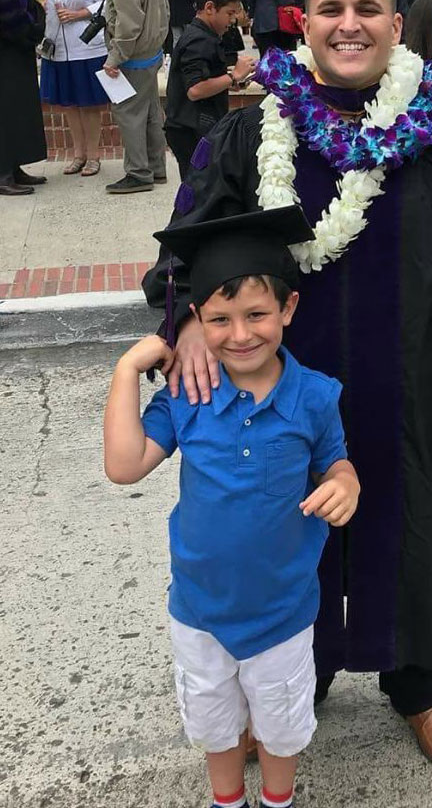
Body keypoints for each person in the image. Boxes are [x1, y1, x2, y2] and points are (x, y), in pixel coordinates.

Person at [143, 0, 432, 777]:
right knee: (289, 525)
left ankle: (421, 687)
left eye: (367, 9)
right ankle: (300, 673)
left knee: (420, 533)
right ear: (304, 21)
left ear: (391, 20)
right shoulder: (255, 127)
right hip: (281, 397)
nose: (350, 24)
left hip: (419, 382)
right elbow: (189, 235)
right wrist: (187, 316)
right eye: (331, 9)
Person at [105, 205, 360, 808]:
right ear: (197, 319)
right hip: (198, 610)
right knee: (215, 727)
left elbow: (337, 462)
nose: (240, 334)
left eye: (256, 315)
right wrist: (125, 370)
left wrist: (346, 483)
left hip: (283, 613)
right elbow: (124, 465)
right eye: (219, 319)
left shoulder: (316, 397)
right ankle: (228, 802)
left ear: (288, 310)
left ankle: (277, 800)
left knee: (281, 725)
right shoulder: (187, 395)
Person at [99, 0, 169, 194]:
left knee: (128, 113)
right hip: (151, 51)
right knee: (151, 112)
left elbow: (128, 26)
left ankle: (139, 173)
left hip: (134, 55)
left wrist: (114, 57)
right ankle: (156, 168)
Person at [164, 0, 256, 181]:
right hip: (190, 129)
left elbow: (205, 79)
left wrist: (232, 81)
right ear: (209, 8)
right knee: (198, 187)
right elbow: (195, 90)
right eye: (229, 13)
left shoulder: (203, 36)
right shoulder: (199, 40)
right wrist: (233, 76)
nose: (232, 21)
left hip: (191, 126)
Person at [40, 0, 108, 178]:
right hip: (55, 46)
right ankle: (77, 154)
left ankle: (93, 156)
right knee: (68, 104)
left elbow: (104, 1)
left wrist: (80, 13)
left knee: (89, 104)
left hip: (86, 47)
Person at [0, 0, 47, 196]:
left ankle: (13, 167)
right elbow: (13, 15)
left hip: (9, 52)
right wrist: (36, 24)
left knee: (13, 112)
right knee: (7, 112)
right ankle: (4, 173)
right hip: (8, 53)